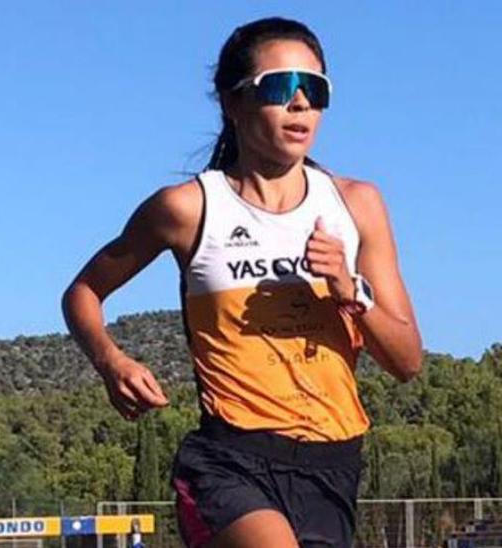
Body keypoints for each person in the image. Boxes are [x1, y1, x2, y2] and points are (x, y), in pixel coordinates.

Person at [61, 16, 422, 548]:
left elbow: (408, 360)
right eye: (280, 87)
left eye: (315, 90)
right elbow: (83, 293)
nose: (301, 104)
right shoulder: (186, 209)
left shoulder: (357, 204)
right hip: (230, 462)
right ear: (232, 103)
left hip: (333, 463)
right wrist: (112, 362)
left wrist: (351, 291)